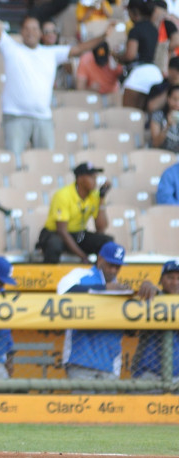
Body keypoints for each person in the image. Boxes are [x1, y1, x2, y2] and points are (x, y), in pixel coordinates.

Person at [0, 0, 110, 157]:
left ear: (41, 33)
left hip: (43, 117)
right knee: (15, 160)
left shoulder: (50, 53)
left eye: (34, 28)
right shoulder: (12, 48)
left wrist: (103, 36)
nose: (30, 32)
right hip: (15, 116)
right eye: (26, 28)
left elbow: (78, 49)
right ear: (21, 31)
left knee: (46, 161)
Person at [56, 242, 134, 382]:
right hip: (80, 361)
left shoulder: (119, 288)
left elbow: (131, 329)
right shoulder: (81, 274)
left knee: (109, 404)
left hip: (110, 364)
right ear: (100, 259)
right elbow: (62, 292)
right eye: (110, 265)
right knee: (83, 404)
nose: (113, 270)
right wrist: (104, 288)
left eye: (117, 266)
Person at [38, 162, 113, 264]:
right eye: (91, 177)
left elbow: (101, 228)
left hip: (78, 234)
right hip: (55, 233)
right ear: (80, 179)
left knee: (107, 242)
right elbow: (62, 231)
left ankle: (98, 275)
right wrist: (83, 256)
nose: (95, 181)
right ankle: (49, 277)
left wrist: (101, 198)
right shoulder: (63, 195)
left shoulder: (96, 195)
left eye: (96, 178)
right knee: (54, 244)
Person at [131, 259, 179, 384]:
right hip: (148, 373)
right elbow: (130, 331)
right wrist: (147, 284)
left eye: (178, 278)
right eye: (170, 277)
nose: (175, 282)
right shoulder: (153, 297)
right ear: (161, 279)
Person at [115, 0, 163, 110]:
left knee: (129, 113)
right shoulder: (153, 28)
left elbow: (130, 55)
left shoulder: (135, 29)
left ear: (134, 12)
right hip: (156, 72)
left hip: (139, 73)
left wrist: (117, 56)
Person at [150, 85, 179, 152]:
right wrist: (167, 126)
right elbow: (156, 143)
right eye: (174, 99)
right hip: (159, 155)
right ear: (168, 99)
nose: (177, 104)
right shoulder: (158, 116)